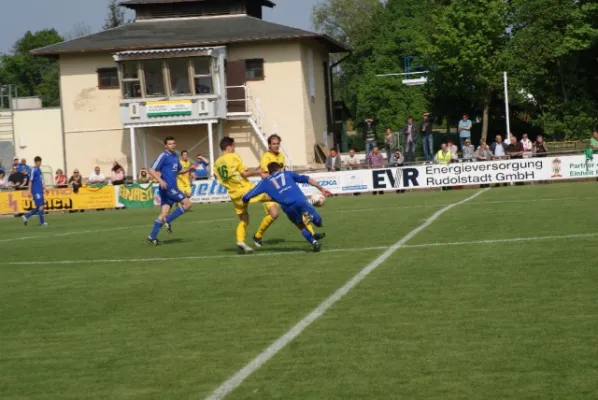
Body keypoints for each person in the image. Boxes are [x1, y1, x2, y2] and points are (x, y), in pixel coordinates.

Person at [242, 162, 331, 252]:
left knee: (301, 226)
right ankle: (311, 217)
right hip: (300, 201)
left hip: (288, 207)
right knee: (318, 222)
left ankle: (314, 243)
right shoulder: (287, 173)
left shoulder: (265, 182)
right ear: (278, 169)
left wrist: (245, 202)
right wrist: (321, 188)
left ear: (269, 172)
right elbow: (307, 179)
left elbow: (247, 196)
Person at [215, 137, 279, 253]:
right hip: (245, 190)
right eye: (233, 146)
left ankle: (240, 240)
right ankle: (302, 208)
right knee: (272, 196)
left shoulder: (217, 163)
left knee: (244, 219)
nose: (234, 149)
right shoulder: (233, 156)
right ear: (229, 147)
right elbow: (244, 174)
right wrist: (257, 171)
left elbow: (220, 177)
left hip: (234, 195)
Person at [259, 134, 324, 248]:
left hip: (283, 192)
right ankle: (258, 235)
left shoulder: (281, 157)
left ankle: (312, 235)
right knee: (274, 214)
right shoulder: (266, 157)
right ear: (269, 145)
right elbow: (263, 175)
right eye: (274, 144)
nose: (276, 146)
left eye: (278, 143)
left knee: (300, 211)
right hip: (272, 191)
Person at [146, 136, 195, 245]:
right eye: (170, 144)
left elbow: (179, 170)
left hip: (170, 187)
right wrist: (160, 180)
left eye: (173, 143)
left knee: (164, 213)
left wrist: (189, 169)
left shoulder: (175, 156)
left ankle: (152, 236)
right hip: (168, 188)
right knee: (187, 204)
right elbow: (151, 169)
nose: (172, 145)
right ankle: (167, 221)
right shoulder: (163, 156)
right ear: (165, 145)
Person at [22, 156, 49, 226]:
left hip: (40, 190)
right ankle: (42, 223)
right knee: (41, 206)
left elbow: (40, 181)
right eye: (39, 162)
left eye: (40, 162)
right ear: (36, 162)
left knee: (39, 207)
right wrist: (29, 191)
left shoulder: (39, 170)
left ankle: (26, 216)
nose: (40, 163)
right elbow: (30, 181)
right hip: (36, 191)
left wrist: (45, 188)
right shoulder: (33, 170)